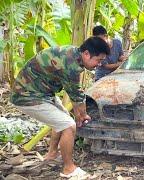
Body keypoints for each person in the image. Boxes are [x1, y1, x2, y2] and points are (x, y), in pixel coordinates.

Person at [10, 37, 110, 178]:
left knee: (64, 120)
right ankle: (69, 169)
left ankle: (52, 154)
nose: (99, 64)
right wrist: (82, 115)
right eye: (98, 60)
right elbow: (76, 96)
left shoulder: (73, 54)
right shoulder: (71, 65)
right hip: (27, 96)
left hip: (42, 92)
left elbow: (76, 97)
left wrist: (80, 115)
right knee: (68, 126)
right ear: (86, 53)